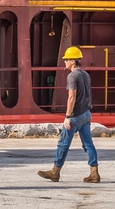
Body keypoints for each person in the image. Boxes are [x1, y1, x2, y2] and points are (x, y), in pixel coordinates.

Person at [37, 46, 100, 183]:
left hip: (75, 116)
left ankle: (55, 172)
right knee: (88, 144)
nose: (64, 62)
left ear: (72, 61)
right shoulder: (85, 75)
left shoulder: (72, 76)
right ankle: (94, 173)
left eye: (66, 59)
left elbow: (71, 97)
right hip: (86, 114)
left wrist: (67, 117)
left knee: (63, 144)